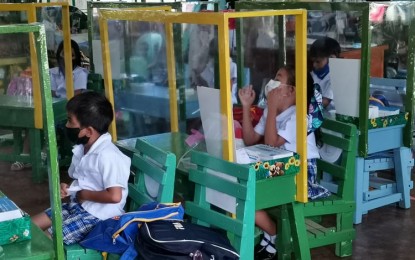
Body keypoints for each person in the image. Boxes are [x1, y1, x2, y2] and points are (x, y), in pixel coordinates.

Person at [238, 66, 329, 259]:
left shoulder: (299, 116)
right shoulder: (274, 112)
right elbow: (251, 139)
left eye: (278, 79)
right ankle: (271, 233)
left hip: (301, 175)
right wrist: (246, 106)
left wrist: (270, 107)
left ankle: (272, 232)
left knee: (246, 194)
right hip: (280, 170)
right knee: (242, 189)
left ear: (291, 90)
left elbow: (271, 144)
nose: (272, 82)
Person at [32, 91, 131, 245]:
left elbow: (115, 196)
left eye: (70, 121)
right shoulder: (82, 148)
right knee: (30, 225)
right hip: (78, 205)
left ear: (88, 131)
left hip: (98, 217)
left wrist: (84, 194)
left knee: (44, 240)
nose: (66, 125)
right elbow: (82, 179)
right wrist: (68, 188)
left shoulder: (108, 156)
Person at [10, 39, 88, 171]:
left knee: (50, 122)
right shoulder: (53, 72)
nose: (68, 58)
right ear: (59, 54)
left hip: (71, 109)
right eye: (64, 54)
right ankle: (26, 156)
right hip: (54, 107)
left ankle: (44, 153)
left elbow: (76, 97)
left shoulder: (80, 73)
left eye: (72, 55)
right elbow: (50, 94)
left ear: (76, 57)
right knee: (36, 119)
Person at [309, 37, 341, 112]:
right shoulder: (313, 75)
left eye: (317, 61)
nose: (314, 65)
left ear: (332, 58)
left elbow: (324, 103)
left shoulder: (335, 76)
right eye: (313, 61)